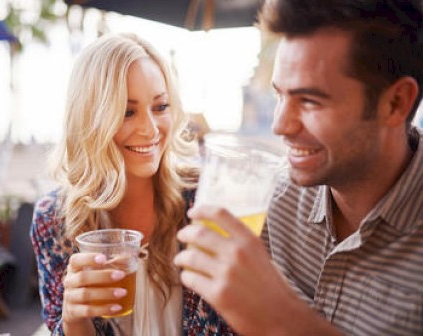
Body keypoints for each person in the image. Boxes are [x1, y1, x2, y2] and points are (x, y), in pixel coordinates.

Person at [174, 0, 423, 335]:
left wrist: (284, 320)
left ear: (396, 103)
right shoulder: (274, 201)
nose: (280, 125)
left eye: (309, 101)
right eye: (280, 96)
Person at [30, 33, 234, 335]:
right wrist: (73, 319)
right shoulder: (54, 219)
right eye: (128, 112)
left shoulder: (204, 199)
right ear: (90, 119)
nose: (150, 129)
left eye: (160, 106)